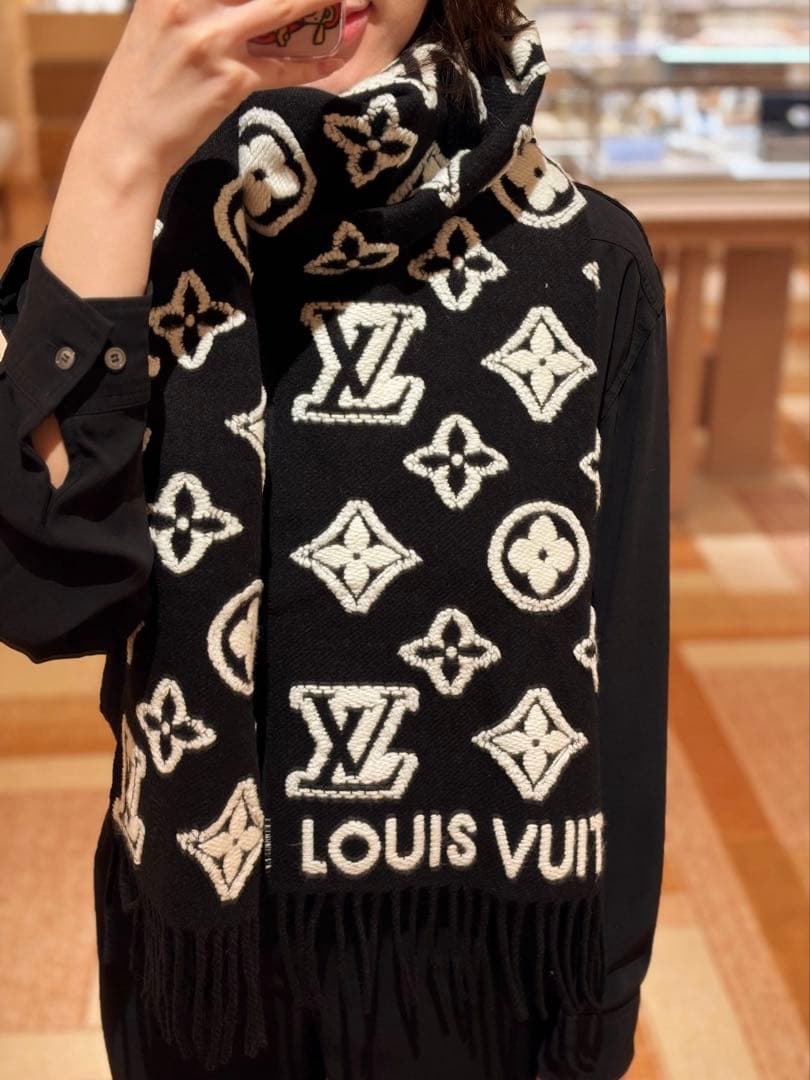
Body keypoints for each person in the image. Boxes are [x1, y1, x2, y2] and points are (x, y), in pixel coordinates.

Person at [0, 1, 670, 1077]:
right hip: (202, 958)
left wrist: (602, 1005)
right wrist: (116, 156)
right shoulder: (132, 240)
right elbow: (47, 596)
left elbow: (622, 668)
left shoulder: (588, 261)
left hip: (473, 967)